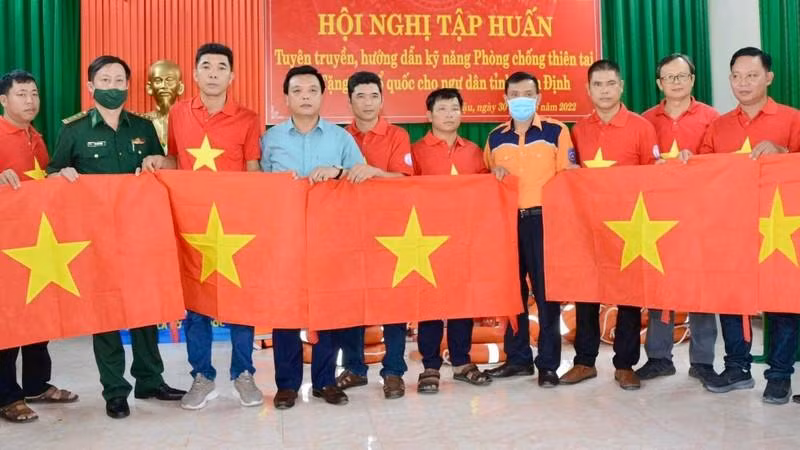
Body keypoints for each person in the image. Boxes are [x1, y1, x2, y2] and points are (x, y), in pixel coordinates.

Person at [47, 55, 185, 419]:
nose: (112, 86)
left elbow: (164, 168)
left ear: (128, 85)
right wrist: (63, 176)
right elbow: (52, 175)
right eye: (104, 80)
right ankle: (115, 390)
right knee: (105, 313)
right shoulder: (74, 130)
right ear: (91, 87)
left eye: (119, 80)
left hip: (140, 235)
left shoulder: (141, 126)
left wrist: (161, 163)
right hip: (95, 239)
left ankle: (150, 380)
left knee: (145, 307)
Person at [141, 43, 263, 410]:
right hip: (192, 221)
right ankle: (202, 375)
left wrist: (260, 212)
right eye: (206, 66)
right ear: (194, 75)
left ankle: (244, 373)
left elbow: (253, 170)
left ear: (232, 76)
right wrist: (156, 160)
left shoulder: (248, 117)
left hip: (236, 223)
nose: (213, 73)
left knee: (242, 302)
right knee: (197, 303)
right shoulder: (178, 113)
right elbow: (177, 159)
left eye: (221, 67)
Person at [696, 47, 800, 403]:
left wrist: (784, 154)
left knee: (782, 296)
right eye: (736, 76)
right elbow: (702, 171)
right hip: (730, 226)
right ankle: (737, 367)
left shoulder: (792, 119)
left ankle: (780, 374)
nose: (743, 83)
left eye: (752, 75)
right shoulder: (718, 125)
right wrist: (686, 161)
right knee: (730, 294)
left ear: (768, 77)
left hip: (779, 228)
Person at [260, 65, 366, 409]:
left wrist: (339, 172)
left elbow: (363, 179)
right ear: (286, 98)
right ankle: (287, 385)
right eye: (297, 91)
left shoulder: (340, 138)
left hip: (330, 239)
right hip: (284, 239)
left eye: (312, 90)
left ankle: (324, 381)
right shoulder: (271, 139)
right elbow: (256, 189)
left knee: (329, 309)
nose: (305, 96)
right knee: (286, 311)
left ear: (322, 96)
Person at [559, 59, 658, 391]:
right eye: (597, 85)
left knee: (628, 296)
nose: (604, 90)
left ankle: (625, 364)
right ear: (588, 90)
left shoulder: (642, 127)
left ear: (622, 86)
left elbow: (653, 178)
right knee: (586, 294)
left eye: (610, 83)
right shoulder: (577, 130)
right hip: (588, 226)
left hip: (630, 226)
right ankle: (584, 362)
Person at [0, 69, 79, 423]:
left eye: (34, 93)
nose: (30, 100)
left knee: (37, 314)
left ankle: (36, 384)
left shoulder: (38, 137)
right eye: (21, 94)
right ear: (4, 100)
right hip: (6, 246)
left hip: (38, 242)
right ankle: (6, 395)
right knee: (8, 319)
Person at [484, 72, 572, 387]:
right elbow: (486, 179)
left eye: (528, 93)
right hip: (507, 222)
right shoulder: (495, 137)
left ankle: (548, 364)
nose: (521, 99)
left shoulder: (556, 131)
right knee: (512, 292)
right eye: (515, 94)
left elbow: (568, 177)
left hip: (545, 219)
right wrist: (492, 172)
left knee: (548, 293)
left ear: (539, 98)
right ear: (505, 99)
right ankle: (518, 358)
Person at [636, 53, 720, 384]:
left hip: (700, 215)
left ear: (693, 80)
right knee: (660, 287)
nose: (676, 82)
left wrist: (696, 162)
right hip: (656, 217)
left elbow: (719, 166)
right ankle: (659, 357)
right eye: (669, 77)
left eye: (682, 76)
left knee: (700, 287)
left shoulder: (713, 118)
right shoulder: (644, 121)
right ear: (659, 83)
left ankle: (702, 361)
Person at [335, 71, 412, 399]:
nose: (367, 103)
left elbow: (406, 178)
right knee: (351, 300)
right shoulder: (338, 136)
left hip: (391, 229)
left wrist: (376, 172)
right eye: (360, 96)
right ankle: (354, 367)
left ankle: (394, 370)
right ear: (349, 100)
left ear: (382, 99)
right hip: (349, 229)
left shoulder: (397, 135)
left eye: (373, 96)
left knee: (392, 301)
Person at [411, 87, 492, 393]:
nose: (449, 115)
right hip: (427, 240)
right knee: (429, 304)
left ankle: (461, 362)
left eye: (455, 109)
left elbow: (486, 191)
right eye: (442, 109)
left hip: (464, 239)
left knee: (462, 302)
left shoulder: (473, 151)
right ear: (429, 115)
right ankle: (430, 366)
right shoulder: (417, 151)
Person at [143, 59, 184, 151]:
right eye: (158, 81)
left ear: (180, 88)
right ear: (149, 88)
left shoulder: (191, 122)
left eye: (169, 80)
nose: (164, 86)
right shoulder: (140, 123)